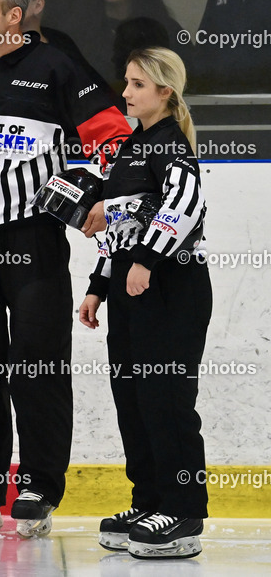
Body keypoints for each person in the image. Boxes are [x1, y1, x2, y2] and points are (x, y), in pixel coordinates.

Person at [0, 0, 132, 537]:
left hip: (31, 241)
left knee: (38, 367)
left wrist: (96, 194)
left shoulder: (57, 67)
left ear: (14, 16)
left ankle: (40, 484)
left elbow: (116, 139)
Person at [79, 47, 210, 560]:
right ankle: (150, 501)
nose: (126, 92)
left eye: (137, 84)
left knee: (166, 399)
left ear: (164, 92)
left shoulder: (172, 145)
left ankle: (183, 510)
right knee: (133, 399)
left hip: (173, 288)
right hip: (131, 290)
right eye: (126, 82)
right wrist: (98, 285)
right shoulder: (133, 146)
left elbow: (186, 205)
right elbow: (122, 225)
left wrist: (148, 260)